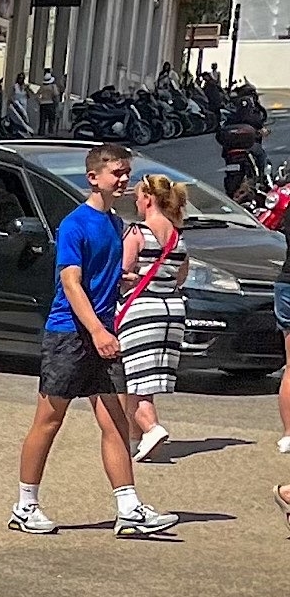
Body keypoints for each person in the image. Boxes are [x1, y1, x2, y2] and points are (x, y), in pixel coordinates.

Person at [12, 143, 178, 539]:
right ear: (94, 178)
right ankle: (25, 505)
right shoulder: (75, 224)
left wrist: (121, 283)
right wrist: (98, 330)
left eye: (126, 173)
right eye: (116, 173)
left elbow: (95, 277)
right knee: (49, 420)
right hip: (70, 335)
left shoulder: (116, 225)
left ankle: (129, 508)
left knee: (116, 423)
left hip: (103, 335)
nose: (123, 180)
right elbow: (70, 281)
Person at [117, 172, 188, 462]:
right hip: (171, 310)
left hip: (142, 310)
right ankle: (136, 440)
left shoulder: (137, 232)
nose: (135, 201)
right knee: (147, 378)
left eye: (137, 197)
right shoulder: (177, 236)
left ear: (147, 199)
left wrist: (133, 276)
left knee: (133, 377)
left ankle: (151, 428)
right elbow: (180, 277)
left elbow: (122, 272)